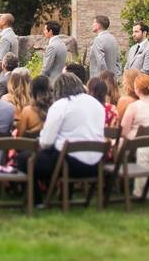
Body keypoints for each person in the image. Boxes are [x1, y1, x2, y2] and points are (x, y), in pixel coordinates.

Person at [25, 73, 106, 206]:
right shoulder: (96, 104)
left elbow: (46, 142)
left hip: (68, 164)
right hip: (96, 164)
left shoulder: (60, 105)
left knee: (26, 159)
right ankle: (63, 195)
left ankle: (37, 201)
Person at [119, 73, 149, 197]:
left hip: (135, 146)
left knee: (117, 145)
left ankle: (118, 183)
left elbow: (123, 131)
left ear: (137, 89)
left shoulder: (134, 107)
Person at [88, 15, 121, 79]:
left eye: (94, 22)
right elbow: (118, 61)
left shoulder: (98, 39)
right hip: (112, 81)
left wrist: (106, 79)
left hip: (100, 81)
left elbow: (101, 63)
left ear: (98, 25)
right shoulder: (113, 39)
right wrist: (117, 77)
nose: (92, 24)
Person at [0, 13, 19, 77]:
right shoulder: (13, 35)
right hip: (12, 75)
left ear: (4, 22)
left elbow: (1, 61)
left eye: (0, 20)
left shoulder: (5, 38)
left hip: (4, 76)